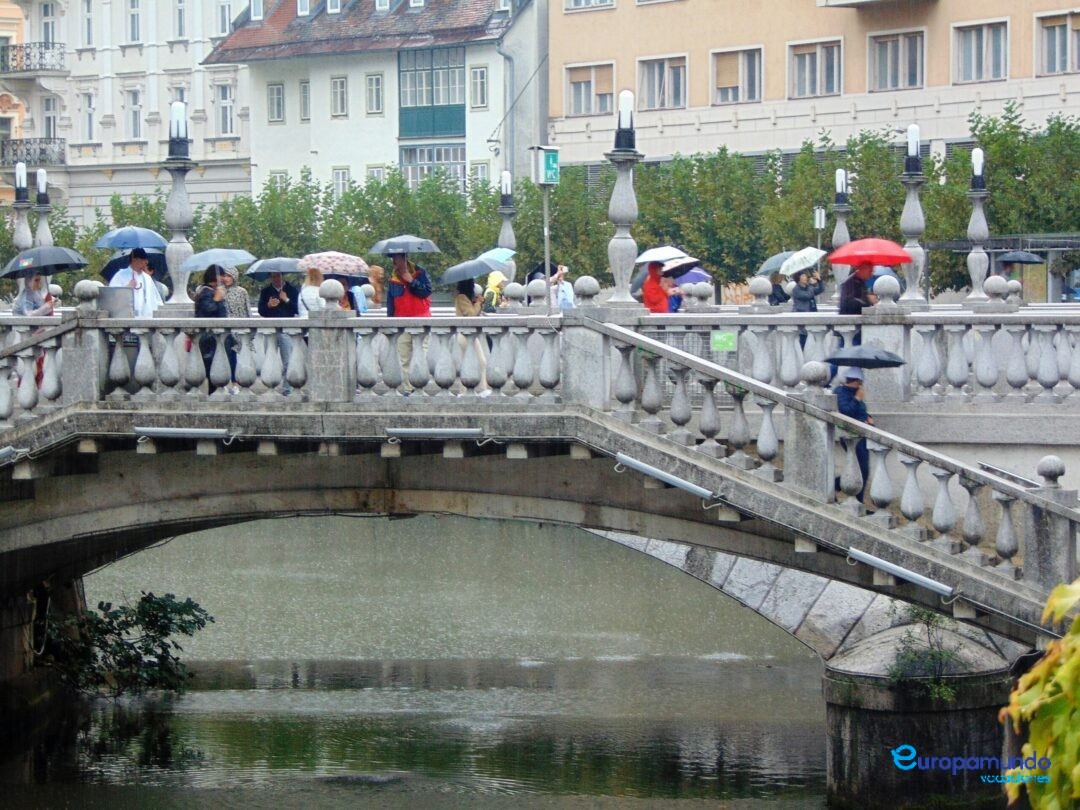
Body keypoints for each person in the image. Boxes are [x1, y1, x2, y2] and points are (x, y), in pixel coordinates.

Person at [386, 252, 432, 392]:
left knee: (421, 355)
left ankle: (420, 386)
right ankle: (408, 389)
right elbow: (391, 304)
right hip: (401, 323)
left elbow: (426, 292)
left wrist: (411, 280)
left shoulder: (421, 272)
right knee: (403, 358)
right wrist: (390, 323)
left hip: (421, 321)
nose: (394, 261)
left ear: (405, 258)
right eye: (392, 258)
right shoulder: (393, 279)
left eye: (396, 258)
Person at [834, 367, 872, 506]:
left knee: (863, 469)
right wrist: (857, 398)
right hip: (850, 435)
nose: (861, 385)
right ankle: (834, 485)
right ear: (855, 381)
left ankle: (858, 501)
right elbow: (846, 411)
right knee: (860, 469)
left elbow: (861, 411)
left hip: (861, 434)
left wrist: (868, 418)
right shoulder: (840, 392)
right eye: (859, 382)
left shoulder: (856, 392)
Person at [257, 271, 299, 395]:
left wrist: (286, 299)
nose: (276, 278)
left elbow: (296, 309)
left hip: (286, 329)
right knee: (270, 359)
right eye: (273, 276)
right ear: (270, 277)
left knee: (288, 360)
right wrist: (268, 306)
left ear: (282, 276)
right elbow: (261, 311)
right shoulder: (266, 291)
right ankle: (271, 386)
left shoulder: (292, 290)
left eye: (278, 276)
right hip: (270, 330)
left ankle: (287, 388)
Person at [194, 266, 232, 395]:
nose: (224, 279)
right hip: (209, 337)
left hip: (217, 336)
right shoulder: (205, 291)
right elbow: (207, 310)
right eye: (222, 275)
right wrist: (217, 298)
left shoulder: (213, 291)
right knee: (212, 368)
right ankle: (213, 393)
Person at [454, 279, 489, 394]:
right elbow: (471, 314)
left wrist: (478, 303)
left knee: (476, 362)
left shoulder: (465, 298)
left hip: (470, 335)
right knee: (480, 361)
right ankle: (480, 389)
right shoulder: (462, 297)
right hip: (465, 335)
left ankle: (467, 390)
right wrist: (477, 304)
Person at [108, 247, 163, 318]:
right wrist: (127, 288)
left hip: (146, 319)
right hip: (126, 319)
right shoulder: (120, 275)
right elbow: (112, 297)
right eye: (143, 259)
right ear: (135, 259)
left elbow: (156, 300)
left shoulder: (147, 278)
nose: (146, 262)